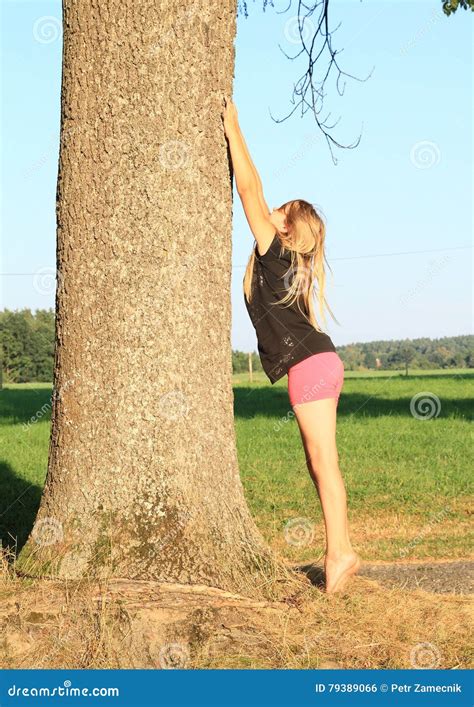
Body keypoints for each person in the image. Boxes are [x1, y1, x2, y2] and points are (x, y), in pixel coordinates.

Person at [222, 96, 360, 593]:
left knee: (324, 461)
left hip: (312, 365)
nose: (270, 209)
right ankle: (339, 550)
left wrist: (235, 131)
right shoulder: (280, 262)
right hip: (317, 364)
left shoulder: (275, 249)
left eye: (279, 210)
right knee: (319, 460)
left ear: (285, 227)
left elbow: (249, 189)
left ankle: (340, 553)